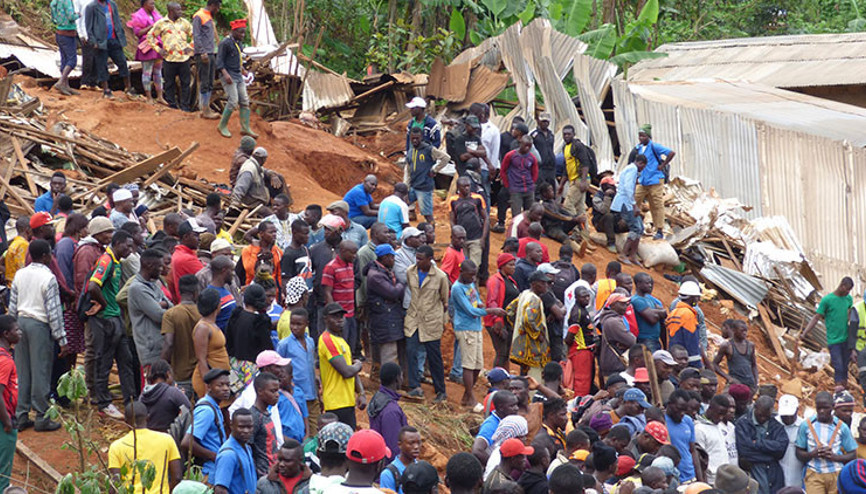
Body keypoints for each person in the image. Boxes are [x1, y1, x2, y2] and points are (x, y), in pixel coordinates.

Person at [8, 239, 65, 432]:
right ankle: (42, 416)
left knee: (22, 370)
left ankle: (21, 415)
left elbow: (13, 305)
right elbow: (54, 312)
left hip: (20, 324)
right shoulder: (48, 278)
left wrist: (12, 330)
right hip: (39, 325)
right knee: (41, 371)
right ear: (45, 256)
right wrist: (61, 338)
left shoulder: (20, 274)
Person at [86, 231, 136, 419]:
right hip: (105, 319)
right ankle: (104, 403)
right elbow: (93, 286)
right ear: (117, 243)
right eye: (127, 246)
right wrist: (104, 304)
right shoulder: (106, 261)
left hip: (116, 317)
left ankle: (131, 401)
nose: (130, 250)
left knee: (126, 359)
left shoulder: (116, 262)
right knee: (104, 361)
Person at [450, 260, 506, 409]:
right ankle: (471, 398)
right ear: (462, 272)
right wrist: (491, 311)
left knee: (477, 365)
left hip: (475, 327)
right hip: (465, 328)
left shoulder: (470, 284)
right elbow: (470, 310)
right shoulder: (457, 288)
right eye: (471, 275)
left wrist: (481, 305)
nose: (473, 278)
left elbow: (477, 301)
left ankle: (467, 396)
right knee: (468, 365)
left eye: (474, 275)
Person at [404, 244, 449, 402]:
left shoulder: (440, 277)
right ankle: (415, 386)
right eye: (416, 258)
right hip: (413, 319)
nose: (417, 261)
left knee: (434, 356)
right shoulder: (410, 272)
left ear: (430, 259)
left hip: (431, 321)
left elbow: (444, 300)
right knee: (410, 351)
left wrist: (442, 320)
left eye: (421, 259)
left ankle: (440, 390)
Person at [108, 401, 182, 493]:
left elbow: (115, 483)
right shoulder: (167, 439)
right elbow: (177, 477)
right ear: (148, 417)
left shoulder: (116, 446)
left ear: (125, 421)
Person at [796, 391, 857, 494]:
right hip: (814, 473)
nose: (822, 411)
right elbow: (798, 452)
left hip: (836, 474)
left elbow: (852, 454)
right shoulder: (806, 425)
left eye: (826, 408)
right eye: (819, 408)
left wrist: (835, 457)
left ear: (833, 407)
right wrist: (812, 454)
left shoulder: (841, 427)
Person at [801, 277, 854, 388]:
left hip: (846, 338)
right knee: (838, 367)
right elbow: (816, 317)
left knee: (845, 367)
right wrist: (804, 333)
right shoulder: (827, 300)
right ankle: (839, 390)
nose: (848, 292)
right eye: (847, 289)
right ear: (842, 286)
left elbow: (850, 314)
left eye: (849, 290)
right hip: (834, 340)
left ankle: (844, 390)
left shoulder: (848, 299)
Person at [318, 303, 365, 429]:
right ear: (325, 319)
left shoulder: (341, 340)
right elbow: (347, 371)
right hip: (336, 403)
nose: (339, 319)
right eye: (335, 316)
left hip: (347, 401)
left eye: (341, 316)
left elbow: (351, 368)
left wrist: (361, 393)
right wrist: (359, 365)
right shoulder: (327, 340)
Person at [128, 248, 172, 376]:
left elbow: (171, 305)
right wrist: (163, 305)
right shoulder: (137, 288)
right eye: (159, 266)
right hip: (150, 349)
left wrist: (164, 304)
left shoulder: (153, 284)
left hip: (160, 344)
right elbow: (159, 315)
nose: (161, 270)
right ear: (149, 265)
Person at [182, 368, 230, 482]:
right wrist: (214, 456)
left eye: (228, 385)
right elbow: (187, 442)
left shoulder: (215, 407)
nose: (226, 389)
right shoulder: (207, 410)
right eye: (220, 385)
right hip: (208, 471)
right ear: (208, 387)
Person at [735, 395, 788, 494]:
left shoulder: (776, 425)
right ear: (755, 407)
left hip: (773, 475)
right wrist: (770, 456)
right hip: (752, 471)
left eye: (766, 416)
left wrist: (758, 443)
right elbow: (745, 451)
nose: (763, 419)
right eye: (760, 415)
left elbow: (781, 449)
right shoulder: (743, 423)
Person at [631, 124, 675, 239]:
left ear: (648, 136)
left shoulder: (655, 146)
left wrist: (662, 165)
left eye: (643, 136)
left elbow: (671, 153)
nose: (641, 138)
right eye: (640, 136)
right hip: (644, 180)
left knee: (656, 204)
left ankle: (659, 230)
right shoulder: (639, 148)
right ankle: (634, 225)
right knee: (635, 199)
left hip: (655, 179)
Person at [147, 2, 194, 111]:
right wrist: (159, 49)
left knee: (185, 84)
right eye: (178, 10)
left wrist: (190, 47)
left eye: (180, 9)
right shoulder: (161, 23)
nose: (180, 12)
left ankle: (185, 107)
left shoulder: (185, 23)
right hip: (169, 59)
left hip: (184, 59)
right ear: (171, 11)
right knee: (169, 84)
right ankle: (172, 106)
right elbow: (150, 36)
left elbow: (195, 35)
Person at [506, 271, 552, 380]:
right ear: (534, 284)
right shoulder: (534, 299)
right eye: (542, 283)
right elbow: (528, 319)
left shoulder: (524, 294)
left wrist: (518, 329)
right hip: (533, 347)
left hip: (522, 344)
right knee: (534, 375)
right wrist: (538, 334)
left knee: (524, 372)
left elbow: (510, 311)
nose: (546, 285)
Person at [160, 274, 200, 397]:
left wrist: (160, 368)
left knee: (181, 407)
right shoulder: (202, 313)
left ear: (179, 291)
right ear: (196, 292)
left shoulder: (171, 314)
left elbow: (169, 343)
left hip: (180, 376)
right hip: (200, 374)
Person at [216, 18, 257, 138]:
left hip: (238, 75)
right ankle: (222, 126)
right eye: (240, 32)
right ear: (233, 31)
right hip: (229, 75)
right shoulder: (225, 43)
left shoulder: (238, 43)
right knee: (233, 101)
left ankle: (245, 128)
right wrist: (225, 74)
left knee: (244, 100)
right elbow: (219, 61)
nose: (243, 35)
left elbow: (237, 60)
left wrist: (243, 71)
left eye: (244, 32)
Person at [85, 0, 132, 99]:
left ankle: (128, 88)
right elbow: (88, 27)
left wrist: (120, 37)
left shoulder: (112, 4)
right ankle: (106, 90)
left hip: (114, 39)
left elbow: (117, 21)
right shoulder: (91, 7)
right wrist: (93, 41)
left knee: (122, 62)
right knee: (102, 65)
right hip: (101, 41)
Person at [405, 127, 449, 224]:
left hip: (424, 187)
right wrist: (406, 185)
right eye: (412, 138)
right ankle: (412, 215)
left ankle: (431, 230)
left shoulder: (429, 149)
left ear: (421, 137)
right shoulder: (410, 151)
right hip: (413, 185)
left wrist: (435, 169)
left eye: (417, 138)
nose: (415, 140)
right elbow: (408, 169)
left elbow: (446, 158)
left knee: (427, 214)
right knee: (405, 203)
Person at [368, 362, 409, 460]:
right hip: (390, 463)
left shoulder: (378, 398)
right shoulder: (391, 410)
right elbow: (394, 446)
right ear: (397, 379)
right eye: (401, 376)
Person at [486, 253, 520, 369]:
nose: (513, 267)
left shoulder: (510, 280)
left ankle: (504, 375)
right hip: (498, 322)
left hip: (508, 322)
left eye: (514, 265)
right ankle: (495, 376)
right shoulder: (495, 280)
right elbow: (492, 301)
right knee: (501, 352)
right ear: (502, 266)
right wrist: (497, 321)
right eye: (510, 265)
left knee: (506, 353)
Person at [213, 408, 257, 494]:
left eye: (249, 427)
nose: (246, 431)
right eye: (241, 427)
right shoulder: (228, 454)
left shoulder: (247, 448)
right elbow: (220, 490)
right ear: (231, 425)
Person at [448, 176, 488, 268]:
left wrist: (483, 238)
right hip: (462, 240)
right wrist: (455, 236)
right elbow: (452, 219)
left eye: (468, 186)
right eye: (464, 186)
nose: (467, 188)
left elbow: (486, 218)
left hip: (476, 238)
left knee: (474, 266)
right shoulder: (453, 200)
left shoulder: (477, 198)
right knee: (463, 265)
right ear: (458, 187)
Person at [128, 0, 163, 104]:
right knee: (147, 73)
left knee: (158, 72)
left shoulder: (156, 15)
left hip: (157, 46)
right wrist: (152, 26)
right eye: (151, 3)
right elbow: (138, 33)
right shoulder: (138, 16)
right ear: (144, 4)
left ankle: (160, 96)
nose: (153, 5)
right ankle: (149, 97)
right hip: (147, 47)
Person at [665, 389, 703, 483]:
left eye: (685, 410)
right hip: (673, 478)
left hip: (690, 476)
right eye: (679, 409)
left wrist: (700, 479)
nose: (682, 413)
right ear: (669, 404)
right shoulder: (662, 421)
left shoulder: (688, 421)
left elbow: (692, 450)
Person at [667, 281, 707, 369]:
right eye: (697, 297)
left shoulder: (673, 312)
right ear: (693, 297)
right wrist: (697, 365)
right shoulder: (688, 314)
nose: (698, 299)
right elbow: (691, 341)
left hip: (675, 358)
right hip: (687, 361)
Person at [559, 124, 597, 216]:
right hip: (574, 180)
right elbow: (566, 167)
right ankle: (583, 225)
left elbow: (585, 163)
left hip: (580, 179)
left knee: (567, 206)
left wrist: (583, 181)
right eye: (564, 134)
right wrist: (561, 185)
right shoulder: (565, 147)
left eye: (569, 134)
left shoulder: (577, 146)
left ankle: (575, 224)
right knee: (579, 208)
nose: (566, 136)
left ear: (574, 134)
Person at [192, 0, 221, 119]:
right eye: (217, 7)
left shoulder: (208, 16)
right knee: (204, 81)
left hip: (211, 52)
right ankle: (204, 109)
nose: (218, 10)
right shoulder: (199, 16)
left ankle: (206, 106)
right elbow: (196, 35)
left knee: (210, 81)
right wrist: (202, 51)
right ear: (212, 5)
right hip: (204, 54)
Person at [598, 292, 637, 379]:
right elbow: (632, 341)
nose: (625, 306)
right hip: (615, 365)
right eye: (622, 304)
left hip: (613, 363)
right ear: (613, 305)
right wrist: (626, 343)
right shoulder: (613, 322)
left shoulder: (611, 319)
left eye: (626, 304)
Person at [249, 372, 281, 476]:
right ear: (260, 391)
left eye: (277, 391)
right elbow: (248, 448)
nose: (277, 395)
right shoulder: (254, 416)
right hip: (263, 475)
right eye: (273, 391)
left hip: (273, 472)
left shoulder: (266, 413)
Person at [713, 319, 758, 390]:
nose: (745, 333)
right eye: (742, 331)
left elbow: (754, 365)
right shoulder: (727, 346)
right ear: (734, 330)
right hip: (735, 384)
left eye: (746, 331)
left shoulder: (750, 345)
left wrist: (756, 382)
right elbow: (714, 364)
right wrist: (729, 378)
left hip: (749, 384)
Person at [0, 317, 18, 493]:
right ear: (6, 334)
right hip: (3, 419)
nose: (20, 333)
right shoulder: (5, 361)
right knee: (3, 467)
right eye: (16, 330)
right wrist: (7, 422)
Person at [501, 135, 539, 217]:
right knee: (516, 215)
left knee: (530, 214)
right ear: (520, 144)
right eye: (525, 145)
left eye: (529, 146)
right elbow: (503, 170)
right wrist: (507, 185)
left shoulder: (532, 158)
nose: (527, 148)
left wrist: (532, 183)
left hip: (529, 189)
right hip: (516, 190)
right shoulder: (510, 155)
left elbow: (535, 172)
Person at [170, 218, 206, 302]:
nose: (199, 239)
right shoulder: (187, 259)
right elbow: (207, 278)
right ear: (186, 237)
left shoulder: (179, 253)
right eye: (196, 235)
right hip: (193, 304)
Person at [630, 273, 666, 352]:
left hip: (655, 340)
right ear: (638, 284)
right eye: (647, 283)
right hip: (645, 340)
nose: (650, 285)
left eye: (650, 283)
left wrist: (654, 312)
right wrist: (658, 313)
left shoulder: (650, 299)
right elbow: (652, 319)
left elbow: (664, 313)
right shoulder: (636, 300)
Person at [379, 426, 421, 492]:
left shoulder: (422, 470)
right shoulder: (388, 474)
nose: (416, 447)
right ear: (400, 445)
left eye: (418, 443)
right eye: (411, 443)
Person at [777, 394, 806, 487]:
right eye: (785, 416)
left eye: (790, 415)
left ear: (797, 410)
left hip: (797, 475)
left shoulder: (804, 426)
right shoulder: (773, 424)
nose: (788, 418)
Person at [531, 112, 556, 189]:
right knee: (540, 187)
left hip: (551, 167)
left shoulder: (551, 135)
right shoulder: (534, 135)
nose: (545, 123)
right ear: (539, 121)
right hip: (540, 167)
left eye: (547, 122)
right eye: (543, 121)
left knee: (551, 187)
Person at [4, 216, 30, 288]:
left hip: (10, 284)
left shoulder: (14, 243)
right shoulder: (23, 245)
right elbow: (22, 268)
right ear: (27, 229)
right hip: (18, 286)